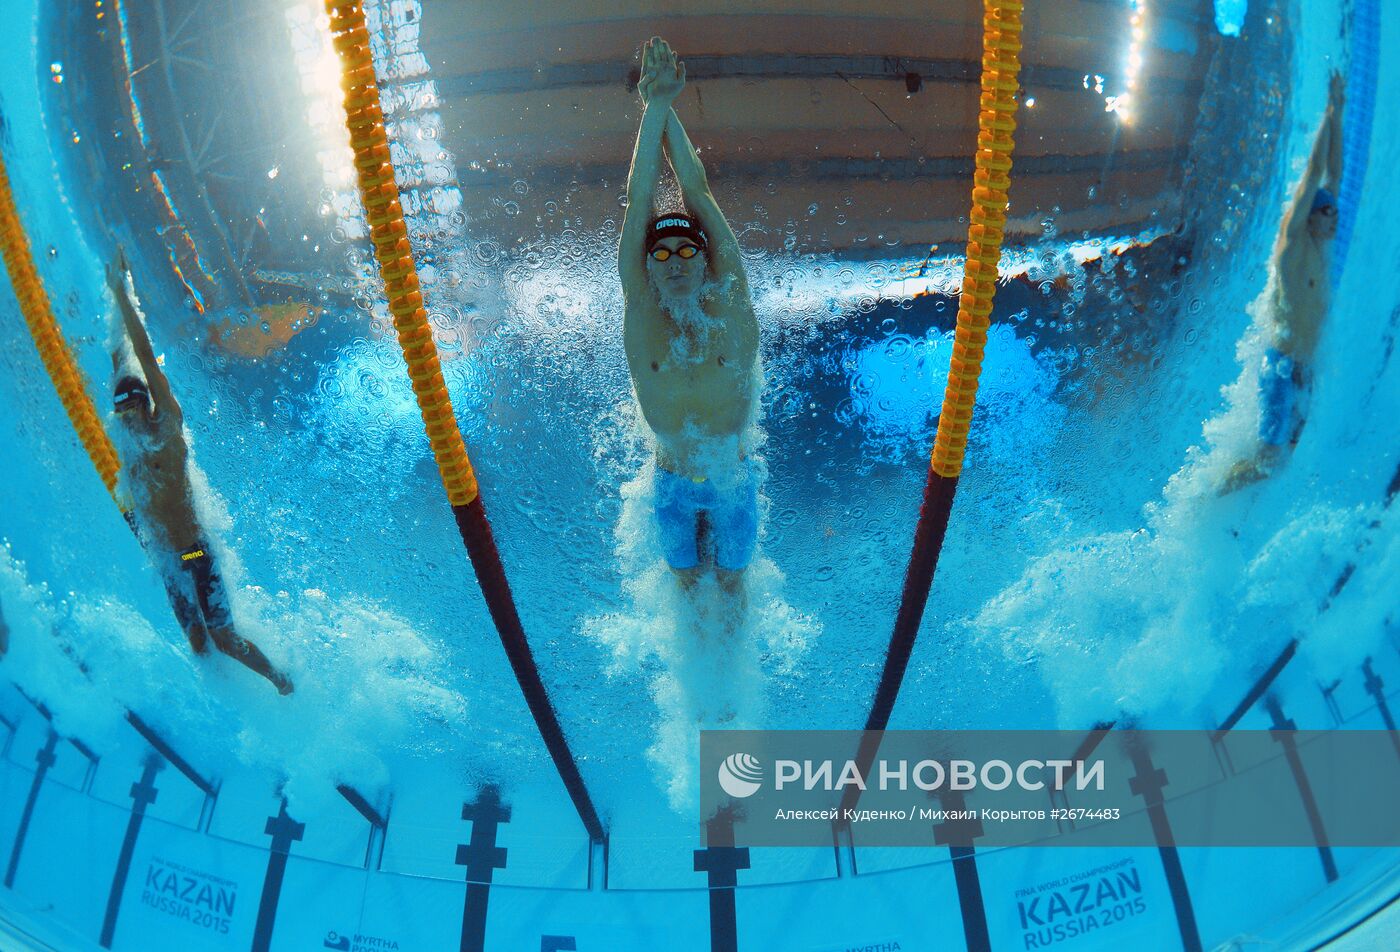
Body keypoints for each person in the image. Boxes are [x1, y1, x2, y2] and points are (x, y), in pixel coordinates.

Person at [619, 37, 761, 619]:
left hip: (732, 481)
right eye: (661, 253)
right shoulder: (643, 316)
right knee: (685, 584)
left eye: (687, 251)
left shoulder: (729, 308)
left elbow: (696, 192)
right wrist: (654, 106)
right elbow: (639, 199)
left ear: (706, 261)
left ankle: (730, 696)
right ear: (646, 267)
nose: (675, 262)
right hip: (673, 486)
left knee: (731, 585)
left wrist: (664, 105)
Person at [108, 250, 293, 694]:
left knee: (223, 639)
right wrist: (110, 306)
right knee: (196, 643)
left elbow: (145, 360)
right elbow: (119, 357)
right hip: (167, 557)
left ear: (143, 403)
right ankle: (229, 700)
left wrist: (122, 292)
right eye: (117, 411)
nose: (122, 417)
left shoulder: (166, 428)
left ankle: (281, 681)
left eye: (128, 407)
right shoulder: (128, 443)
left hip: (192, 553)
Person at [1221, 75, 1344, 494]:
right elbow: (1314, 174)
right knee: (1267, 460)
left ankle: (1243, 507)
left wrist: (1339, 113)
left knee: (1287, 452)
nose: (1335, 221)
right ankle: (1210, 497)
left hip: (1304, 369)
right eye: (1329, 215)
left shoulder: (1321, 247)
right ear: (1312, 214)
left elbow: (1334, 174)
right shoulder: (1293, 245)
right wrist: (1328, 112)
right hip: (1281, 366)